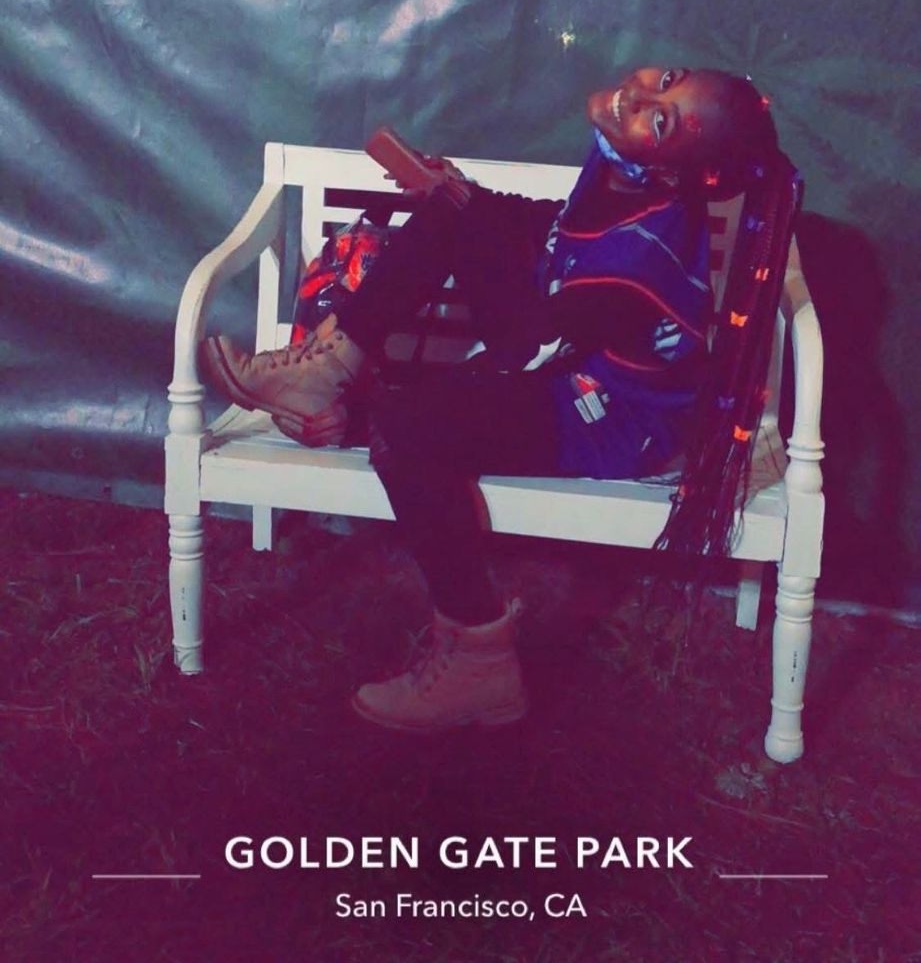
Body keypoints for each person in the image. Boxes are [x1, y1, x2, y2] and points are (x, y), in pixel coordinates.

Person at [202, 67, 801, 733]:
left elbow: (521, 353)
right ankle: (330, 368)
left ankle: (478, 658)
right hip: (566, 353)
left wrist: (377, 417)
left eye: (659, 120)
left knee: (409, 430)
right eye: (665, 80)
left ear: (668, 172)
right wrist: (466, 200)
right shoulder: (623, 168)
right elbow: (556, 232)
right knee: (453, 212)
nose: (640, 97)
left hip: (611, 416)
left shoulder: (640, 256)